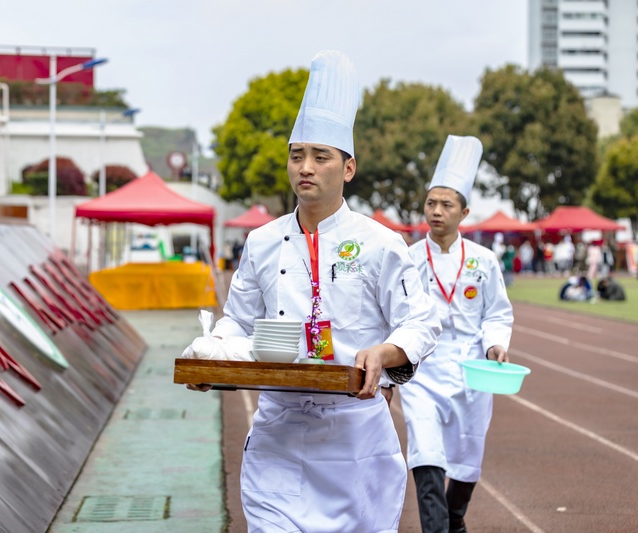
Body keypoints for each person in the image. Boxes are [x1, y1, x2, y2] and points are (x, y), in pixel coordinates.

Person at [183, 50, 441, 532]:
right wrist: (210, 358)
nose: (305, 167)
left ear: (347, 168)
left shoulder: (381, 243)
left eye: (320, 157)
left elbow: (422, 320)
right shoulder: (260, 242)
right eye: (297, 155)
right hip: (279, 431)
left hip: (356, 438)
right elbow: (236, 322)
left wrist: (384, 353)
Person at [399, 135, 514, 533]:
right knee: (425, 453)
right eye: (431, 203)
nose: (436, 211)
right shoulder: (409, 259)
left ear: (463, 212)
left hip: (471, 372)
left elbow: (497, 313)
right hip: (423, 372)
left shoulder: (484, 261)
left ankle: (455, 520)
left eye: (447, 204)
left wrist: (497, 344)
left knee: (467, 460)